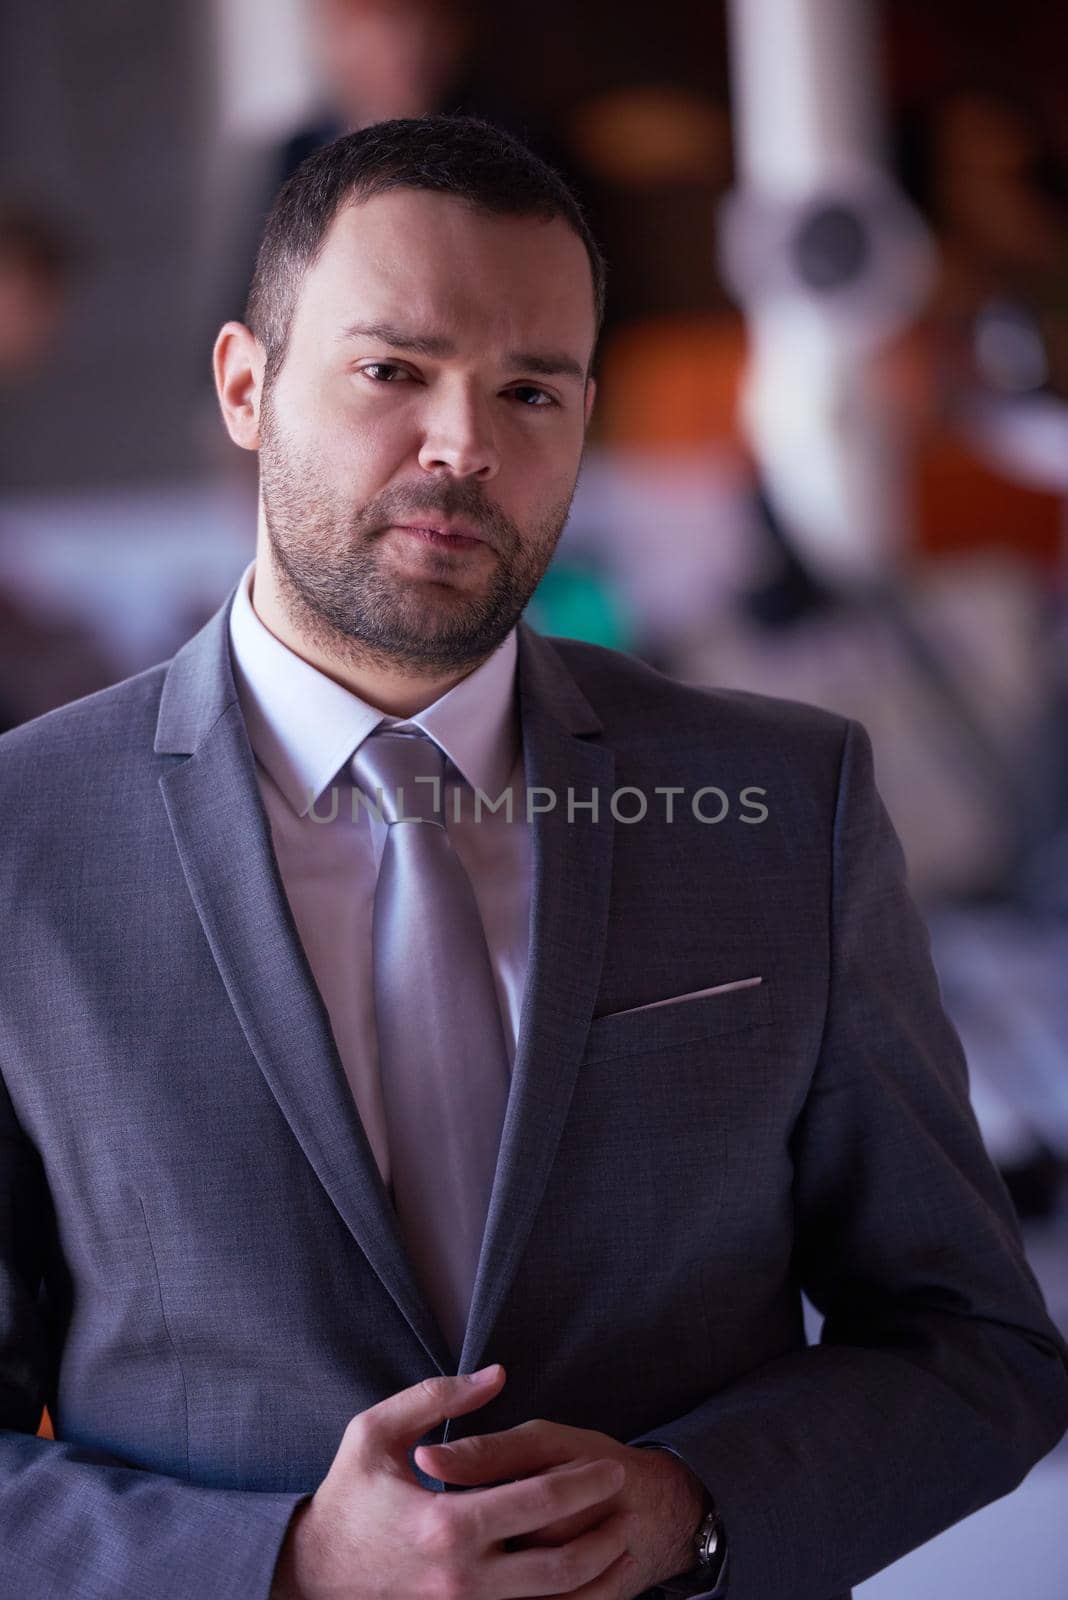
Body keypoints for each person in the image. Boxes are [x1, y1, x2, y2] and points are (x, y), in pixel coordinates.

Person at [0, 116, 1065, 1600]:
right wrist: (284, 1565)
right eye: (394, 371)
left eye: (531, 389)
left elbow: (980, 1345)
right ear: (246, 386)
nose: (466, 444)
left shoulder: (783, 799)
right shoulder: (23, 846)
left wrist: (696, 1507)